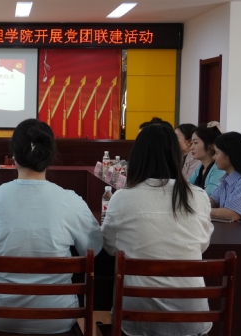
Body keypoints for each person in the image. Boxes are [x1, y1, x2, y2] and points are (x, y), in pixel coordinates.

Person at [0, 118, 103, 334]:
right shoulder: (71, 201)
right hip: (58, 317)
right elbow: (93, 248)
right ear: (50, 156)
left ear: (13, 156)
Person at [101, 124, 214, 336]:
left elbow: (109, 247)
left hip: (137, 318)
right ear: (175, 155)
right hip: (190, 317)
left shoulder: (123, 198)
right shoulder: (197, 196)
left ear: (137, 157)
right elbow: (202, 244)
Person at [188, 122, 225, 195]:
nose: (191, 147)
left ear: (210, 146)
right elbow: (186, 187)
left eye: (195, 143)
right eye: (192, 143)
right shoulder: (201, 167)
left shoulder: (218, 169)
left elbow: (208, 196)